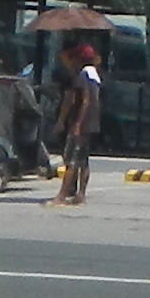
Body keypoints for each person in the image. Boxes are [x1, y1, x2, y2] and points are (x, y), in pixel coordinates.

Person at [48, 34, 104, 205]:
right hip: (92, 123)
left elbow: (79, 100)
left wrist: (73, 123)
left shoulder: (81, 76)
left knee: (71, 160)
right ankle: (81, 194)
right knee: (83, 160)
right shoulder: (94, 75)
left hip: (80, 124)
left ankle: (61, 196)